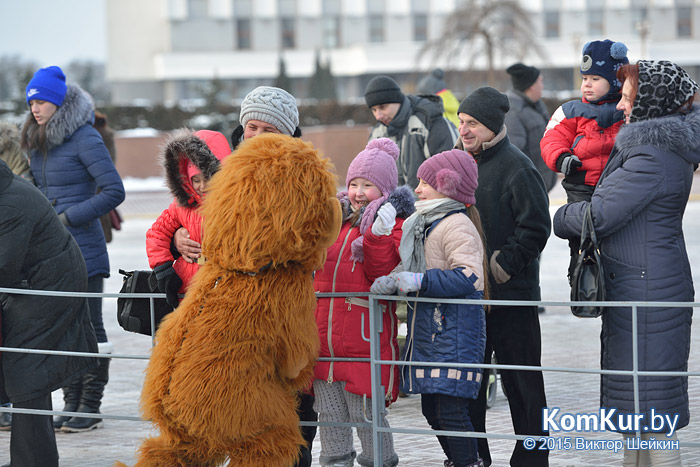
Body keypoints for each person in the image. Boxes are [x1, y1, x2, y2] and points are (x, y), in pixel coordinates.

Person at [554, 60, 699, 467]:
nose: (620, 107)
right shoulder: (656, 148)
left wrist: (564, 214)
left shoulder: (651, 155)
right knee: (642, 400)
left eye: (629, 97)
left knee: (648, 402)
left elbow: (598, 216)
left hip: (646, 287)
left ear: (651, 101)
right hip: (644, 281)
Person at [173, 85, 318, 467]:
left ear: (286, 134)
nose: (256, 136)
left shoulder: (303, 173)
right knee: (221, 413)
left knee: (285, 418)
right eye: (251, 127)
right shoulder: (226, 171)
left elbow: (305, 239)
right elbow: (184, 212)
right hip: (223, 314)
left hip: (278, 312)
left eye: (268, 130)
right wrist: (178, 235)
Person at [19, 65, 125, 432]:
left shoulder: (84, 138)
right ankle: (71, 402)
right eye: (32, 101)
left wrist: (67, 218)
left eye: (43, 100)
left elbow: (114, 191)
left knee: (91, 326)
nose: (36, 108)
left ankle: (91, 406)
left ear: (60, 102)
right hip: (49, 254)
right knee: (62, 329)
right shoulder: (36, 139)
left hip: (84, 250)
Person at [371, 148, 488, 467]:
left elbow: (469, 276)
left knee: (451, 411)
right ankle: (458, 460)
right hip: (433, 332)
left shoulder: (456, 224)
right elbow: (415, 267)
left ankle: (467, 462)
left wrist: (418, 281)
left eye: (425, 183)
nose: (417, 189)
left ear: (447, 186)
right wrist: (395, 279)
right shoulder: (425, 221)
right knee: (431, 410)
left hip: (455, 331)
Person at [455, 87, 551, 467]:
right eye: (462, 122)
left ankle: (532, 458)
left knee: (523, 385)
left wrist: (501, 266)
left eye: (473, 123)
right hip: (472, 297)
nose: (465, 130)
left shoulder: (518, 166)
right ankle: (475, 456)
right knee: (470, 386)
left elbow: (536, 227)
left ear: (492, 127)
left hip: (513, 296)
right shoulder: (461, 165)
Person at [313, 137, 413, 467]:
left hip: (363, 343)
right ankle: (334, 462)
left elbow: (381, 272)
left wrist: (375, 237)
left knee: (367, 418)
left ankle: (380, 462)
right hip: (324, 343)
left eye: (367, 185)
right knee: (329, 417)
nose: (357, 192)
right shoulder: (336, 220)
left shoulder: (391, 225)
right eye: (354, 183)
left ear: (384, 190)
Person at [0, 158, 99, 467]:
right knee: (29, 375)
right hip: (32, 284)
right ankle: (39, 459)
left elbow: (2, 266)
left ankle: (28, 461)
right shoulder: (6, 192)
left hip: (50, 287)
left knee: (26, 373)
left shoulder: (11, 204)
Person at [540, 40, 629, 279]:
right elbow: (552, 138)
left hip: (616, 185)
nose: (587, 85)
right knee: (581, 235)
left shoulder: (629, 110)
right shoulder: (571, 111)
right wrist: (562, 158)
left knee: (617, 234)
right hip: (581, 183)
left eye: (595, 79)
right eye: (584, 79)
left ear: (616, 81)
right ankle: (581, 274)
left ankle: (616, 272)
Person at [146, 129, 231, 308]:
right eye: (196, 180)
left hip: (224, 288)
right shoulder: (182, 205)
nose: (202, 186)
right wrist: (163, 270)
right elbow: (156, 234)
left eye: (208, 178)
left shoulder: (234, 205)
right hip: (187, 288)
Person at [364, 75, 458, 188]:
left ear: (397, 100)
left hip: (430, 203)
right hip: (393, 204)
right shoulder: (377, 133)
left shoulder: (429, 121)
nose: (378, 116)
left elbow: (448, 172)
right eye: (374, 110)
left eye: (383, 107)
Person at [504, 63, 557, 192]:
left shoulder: (535, 106)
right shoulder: (513, 111)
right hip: (527, 188)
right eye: (541, 82)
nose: (542, 86)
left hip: (539, 185)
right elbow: (514, 151)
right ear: (532, 85)